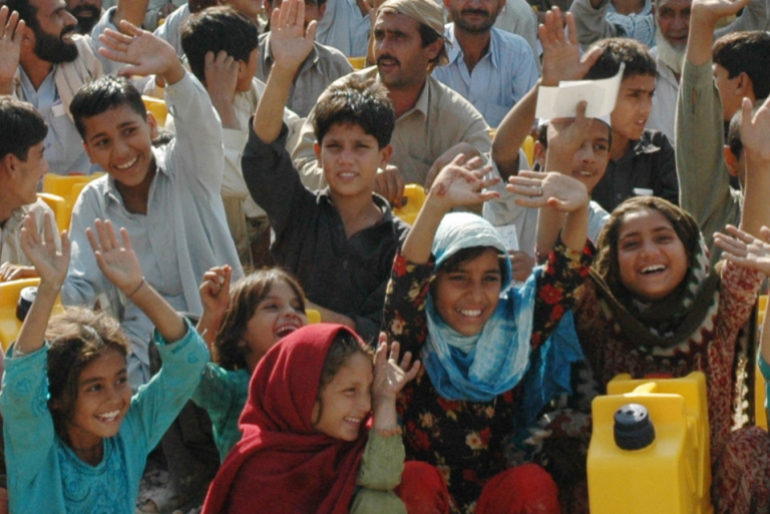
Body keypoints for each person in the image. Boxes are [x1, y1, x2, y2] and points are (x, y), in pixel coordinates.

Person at [536, 94, 770, 513]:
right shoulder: (600, 308)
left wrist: (760, 161)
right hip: (624, 483)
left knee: (750, 445)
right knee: (570, 439)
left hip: (709, 489)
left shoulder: (715, 308)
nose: (649, 253)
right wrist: (564, 185)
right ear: (612, 261)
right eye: (631, 244)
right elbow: (557, 273)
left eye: (663, 239)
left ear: (688, 249)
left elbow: (750, 251)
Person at [382, 131, 595, 511]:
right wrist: (436, 203)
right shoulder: (415, 335)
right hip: (428, 501)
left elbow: (561, 280)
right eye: (458, 277)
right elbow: (405, 284)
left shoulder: (513, 328)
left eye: (490, 279)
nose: (475, 295)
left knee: (531, 484)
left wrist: (578, 210)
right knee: (414, 478)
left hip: (493, 501)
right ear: (433, 284)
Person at [63, 20, 243, 388]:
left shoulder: (188, 165)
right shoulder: (93, 202)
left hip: (223, 332)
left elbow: (201, 123)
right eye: (103, 142)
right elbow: (79, 286)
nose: (122, 152)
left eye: (129, 131)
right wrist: (44, 284)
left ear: (151, 125)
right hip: (140, 356)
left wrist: (173, 70)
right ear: (89, 153)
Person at [0, 214, 209, 514]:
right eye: (94, 387)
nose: (115, 397)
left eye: (121, 379)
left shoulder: (130, 432)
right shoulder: (36, 449)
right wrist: (48, 288)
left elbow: (190, 362)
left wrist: (137, 288)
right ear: (57, 399)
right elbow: (20, 390)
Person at [241, 0, 409, 343]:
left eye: (360, 147)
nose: (346, 159)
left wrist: (306, 311)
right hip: (287, 363)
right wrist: (283, 70)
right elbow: (262, 152)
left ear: (384, 156)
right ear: (318, 154)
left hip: (357, 383)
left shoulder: (399, 241)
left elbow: (381, 331)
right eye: (334, 147)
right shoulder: (298, 211)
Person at [200, 325, 428, 514]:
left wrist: (386, 399)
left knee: (397, 492)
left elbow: (384, 479)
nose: (367, 406)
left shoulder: (352, 445)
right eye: (350, 391)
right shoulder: (261, 469)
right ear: (303, 393)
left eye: (368, 391)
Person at [290, 0, 492, 205]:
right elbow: (299, 168)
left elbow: (498, 179)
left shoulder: (455, 117)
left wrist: (474, 162)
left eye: (398, 37)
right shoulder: (343, 96)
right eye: (379, 36)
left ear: (432, 48)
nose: (384, 48)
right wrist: (357, 179)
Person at [486, 8, 609, 280]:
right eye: (576, 143)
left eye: (600, 146)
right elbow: (502, 150)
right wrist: (547, 86)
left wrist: (539, 272)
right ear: (539, 150)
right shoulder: (519, 193)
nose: (588, 156)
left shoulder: (604, 225)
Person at [181, 5, 302, 269]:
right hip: (219, 245)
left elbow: (294, 127)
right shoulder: (185, 108)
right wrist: (222, 107)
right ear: (239, 67)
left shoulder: (249, 91)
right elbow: (236, 183)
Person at [568, 0, 770, 143]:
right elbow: (586, 32)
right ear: (654, 12)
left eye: (687, 13)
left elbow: (758, 17)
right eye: (667, 13)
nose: (677, 25)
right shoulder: (641, 67)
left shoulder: (723, 58)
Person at [0, 0, 151, 175]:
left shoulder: (85, 56)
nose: (71, 20)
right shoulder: (4, 73)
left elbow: (127, 18)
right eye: (57, 14)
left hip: (91, 197)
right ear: (25, 35)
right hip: (23, 200)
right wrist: (4, 82)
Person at [676, 0, 770, 260]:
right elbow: (695, 121)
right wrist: (701, 20)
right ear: (731, 159)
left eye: (714, 77)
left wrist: (702, 21)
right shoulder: (723, 216)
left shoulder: (715, 212)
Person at [192, 265, 308, 461]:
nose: (291, 313)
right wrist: (211, 317)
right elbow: (192, 373)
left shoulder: (320, 383)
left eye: (297, 307)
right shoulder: (233, 389)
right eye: (272, 306)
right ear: (240, 337)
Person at [580, 37, 678, 213]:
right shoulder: (569, 151)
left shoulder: (658, 148)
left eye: (650, 95)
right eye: (634, 95)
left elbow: (674, 220)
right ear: (599, 95)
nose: (646, 108)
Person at [431, 0, 539, 128]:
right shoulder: (429, 50)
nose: (475, 5)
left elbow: (530, 124)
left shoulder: (518, 54)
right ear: (448, 3)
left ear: (501, 5)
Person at [257, 0, 353, 117]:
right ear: (268, 8)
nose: (295, 11)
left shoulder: (336, 67)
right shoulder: (246, 59)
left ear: (321, 11)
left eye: (307, 3)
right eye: (284, 2)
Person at [0, 95, 61, 282]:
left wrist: (43, 279)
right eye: (40, 156)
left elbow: (72, 303)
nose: (45, 168)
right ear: (12, 165)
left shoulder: (40, 216)